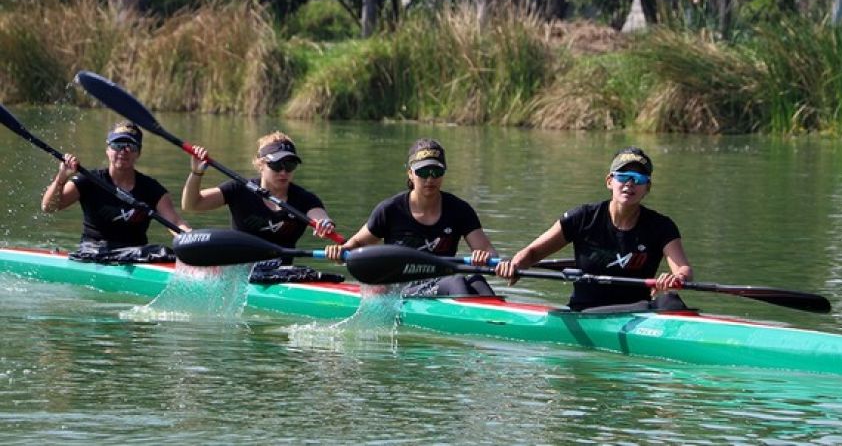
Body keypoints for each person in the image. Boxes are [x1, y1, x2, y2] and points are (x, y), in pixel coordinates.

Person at [495, 147, 693, 312]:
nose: (630, 184)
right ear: (609, 181)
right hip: (585, 312)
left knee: (671, 300)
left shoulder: (661, 226)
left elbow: (683, 269)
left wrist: (677, 278)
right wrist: (514, 266)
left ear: (647, 187)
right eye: (623, 176)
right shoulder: (583, 217)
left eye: (638, 179)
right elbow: (534, 252)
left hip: (637, 312)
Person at [326, 138, 497, 296]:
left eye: (436, 171)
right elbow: (356, 244)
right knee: (457, 281)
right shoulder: (390, 210)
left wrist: (484, 257)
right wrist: (340, 252)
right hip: (402, 289)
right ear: (410, 173)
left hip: (441, 282)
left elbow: (489, 251)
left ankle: (499, 322)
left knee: (477, 280)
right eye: (423, 172)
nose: (430, 178)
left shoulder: (460, 210)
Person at [182, 131, 339, 283]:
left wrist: (325, 224)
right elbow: (192, 205)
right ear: (261, 164)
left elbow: (320, 217)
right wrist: (196, 173)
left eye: (290, 165)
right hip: (239, 272)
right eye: (277, 165)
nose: (284, 172)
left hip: (281, 274)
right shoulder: (239, 189)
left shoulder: (305, 199)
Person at [40, 121, 190, 263]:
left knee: (165, 252)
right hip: (93, 252)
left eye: (130, 146)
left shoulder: (152, 188)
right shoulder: (89, 181)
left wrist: (193, 239)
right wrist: (61, 178)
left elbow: (175, 223)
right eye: (117, 145)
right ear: (107, 150)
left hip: (135, 256)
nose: (123, 151)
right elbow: (49, 207)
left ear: (139, 153)